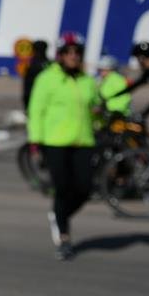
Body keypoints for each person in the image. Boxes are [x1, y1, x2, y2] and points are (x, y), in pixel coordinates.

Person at [26, 32, 98, 259]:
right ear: (60, 55)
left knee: (85, 188)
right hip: (55, 142)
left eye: (77, 52)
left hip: (83, 140)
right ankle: (64, 237)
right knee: (63, 188)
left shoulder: (87, 80)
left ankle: (60, 215)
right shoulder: (47, 79)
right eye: (68, 52)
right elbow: (36, 111)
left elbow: (94, 107)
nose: (73, 56)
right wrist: (35, 142)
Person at [21, 38, 49, 110]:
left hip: (35, 99)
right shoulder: (51, 65)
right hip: (49, 99)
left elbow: (27, 89)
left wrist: (26, 105)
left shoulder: (31, 66)